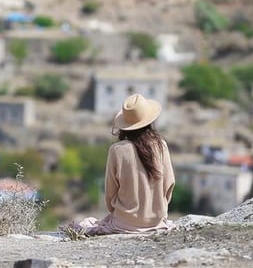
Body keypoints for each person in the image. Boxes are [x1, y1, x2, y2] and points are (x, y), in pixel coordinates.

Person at [70, 93, 175, 235]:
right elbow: (169, 184)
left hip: (124, 223)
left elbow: (110, 193)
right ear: (149, 121)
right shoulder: (161, 145)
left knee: (87, 223)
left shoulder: (117, 150)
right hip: (156, 221)